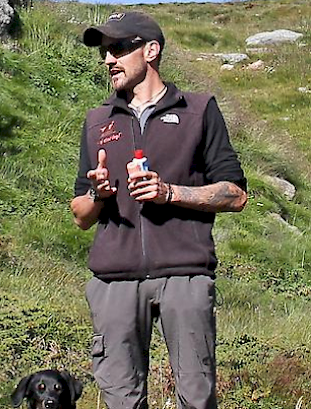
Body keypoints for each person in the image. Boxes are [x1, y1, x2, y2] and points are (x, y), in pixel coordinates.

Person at [71, 12, 248, 409]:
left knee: (196, 399)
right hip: (114, 282)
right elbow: (80, 215)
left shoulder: (199, 110)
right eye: (104, 52)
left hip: (185, 276)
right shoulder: (98, 120)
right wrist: (99, 194)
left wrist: (169, 192)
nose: (108, 60)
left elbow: (235, 195)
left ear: (151, 50)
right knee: (119, 400)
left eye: (117, 48)